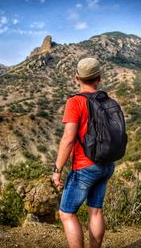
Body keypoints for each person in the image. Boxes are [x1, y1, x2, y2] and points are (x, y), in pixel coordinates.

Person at [52, 57, 115, 248]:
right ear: (99, 78)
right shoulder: (108, 101)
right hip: (106, 164)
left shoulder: (75, 102)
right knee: (95, 211)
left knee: (66, 213)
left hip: (84, 166)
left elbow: (68, 138)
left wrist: (57, 170)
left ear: (77, 78)